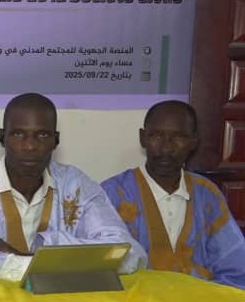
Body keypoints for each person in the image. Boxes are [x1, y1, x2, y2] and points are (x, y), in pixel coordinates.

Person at [0, 93, 146, 281]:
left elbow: (128, 253)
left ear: (56, 140)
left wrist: (22, 254)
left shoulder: (76, 185)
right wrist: (47, 263)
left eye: (42, 135)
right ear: (2, 138)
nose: (30, 146)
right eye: (19, 134)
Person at [102, 101, 245, 289]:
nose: (166, 149)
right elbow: (101, 271)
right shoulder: (112, 194)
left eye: (178, 137)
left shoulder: (207, 195)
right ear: (142, 138)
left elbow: (236, 267)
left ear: (193, 142)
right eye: (157, 136)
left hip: (200, 301)